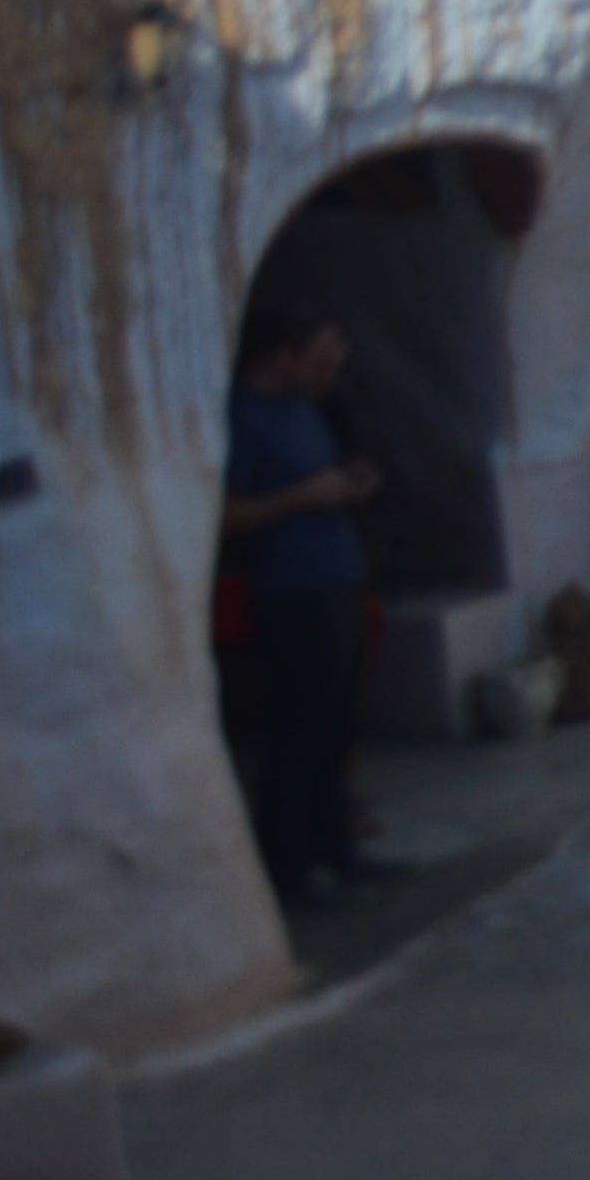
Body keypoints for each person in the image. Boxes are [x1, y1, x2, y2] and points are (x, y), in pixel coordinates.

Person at [219, 295, 399, 907]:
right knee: (296, 734)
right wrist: (302, 498)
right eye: (320, 359)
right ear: (280, 356)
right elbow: (223, 517)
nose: (331, 372)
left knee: (334, 730)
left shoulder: (305, 410)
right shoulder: (243, 416)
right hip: (288, 591)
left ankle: (338, 851)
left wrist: (351, 485)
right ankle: (288, 873)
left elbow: (325, 477)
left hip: (337, 580)